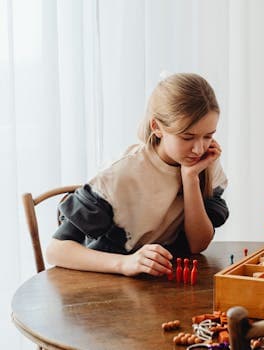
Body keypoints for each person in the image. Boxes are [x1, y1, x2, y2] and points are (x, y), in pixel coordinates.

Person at [46, 73, 229, 277]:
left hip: (157, 282)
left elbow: (197, 245)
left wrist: (190, 178)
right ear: (156, 127)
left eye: (208, 136)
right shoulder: (121, 173)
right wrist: (125, 263)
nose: (199, 148)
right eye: (187, 137)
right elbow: (55, 251)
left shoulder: (206, 163)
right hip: (103, 280)